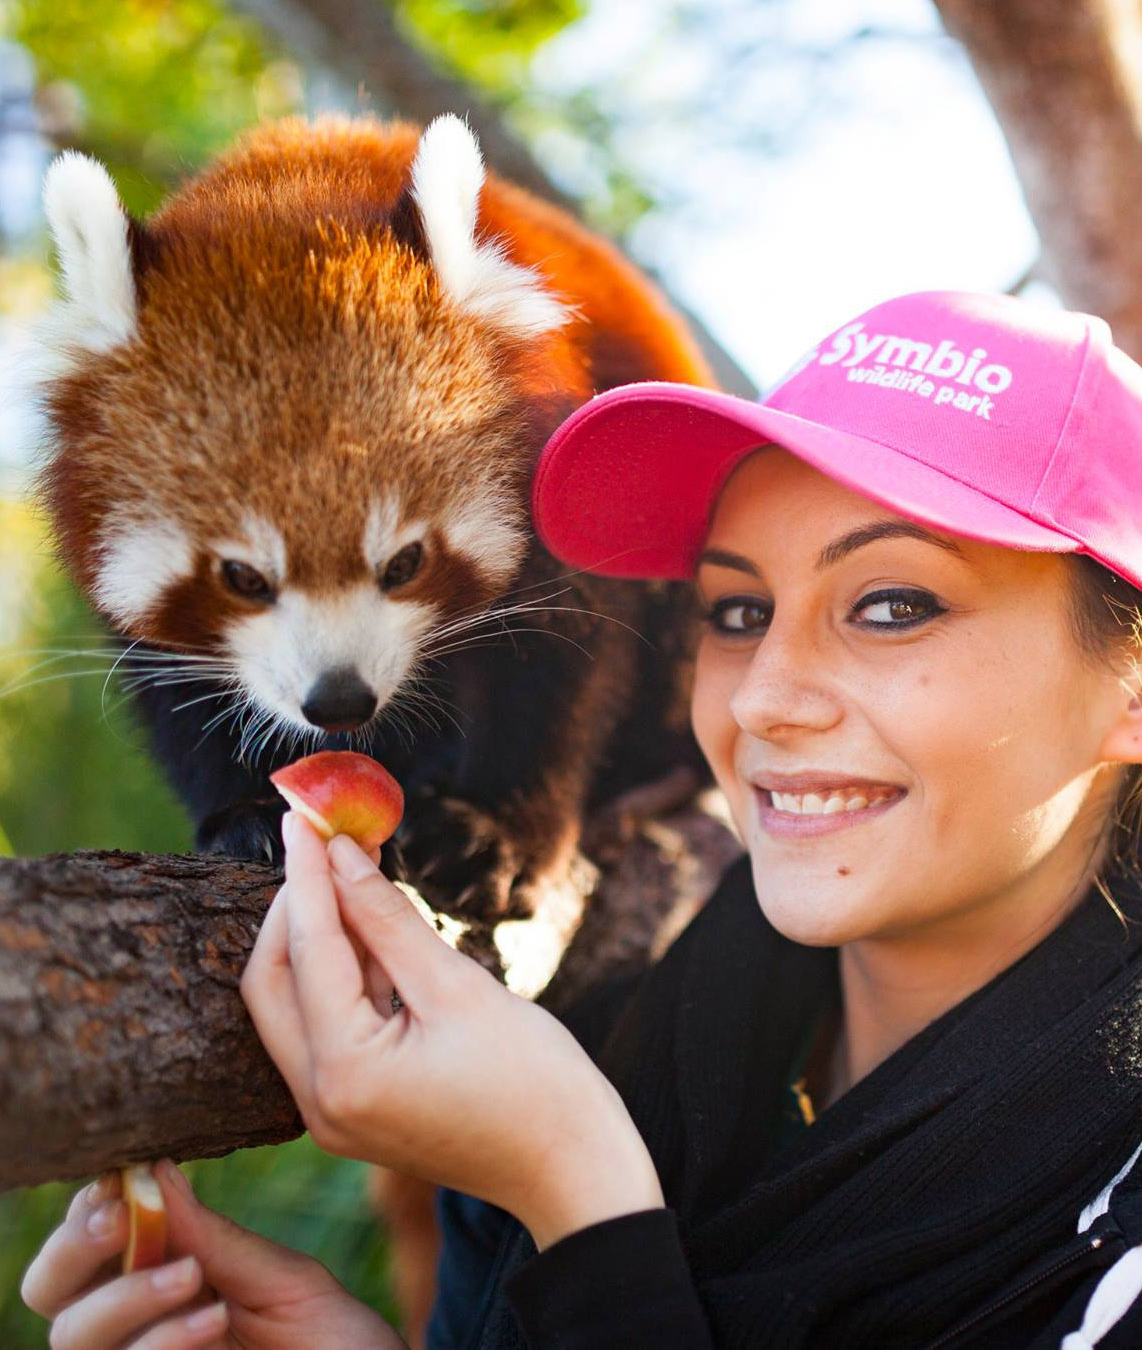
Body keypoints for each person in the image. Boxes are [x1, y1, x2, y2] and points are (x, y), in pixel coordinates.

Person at [22, 289, 1142, 1349]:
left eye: (891, 607)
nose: (758, 698)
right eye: (735, 610)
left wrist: (579, 1197)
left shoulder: (559, 1123)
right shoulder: (606, 1046)